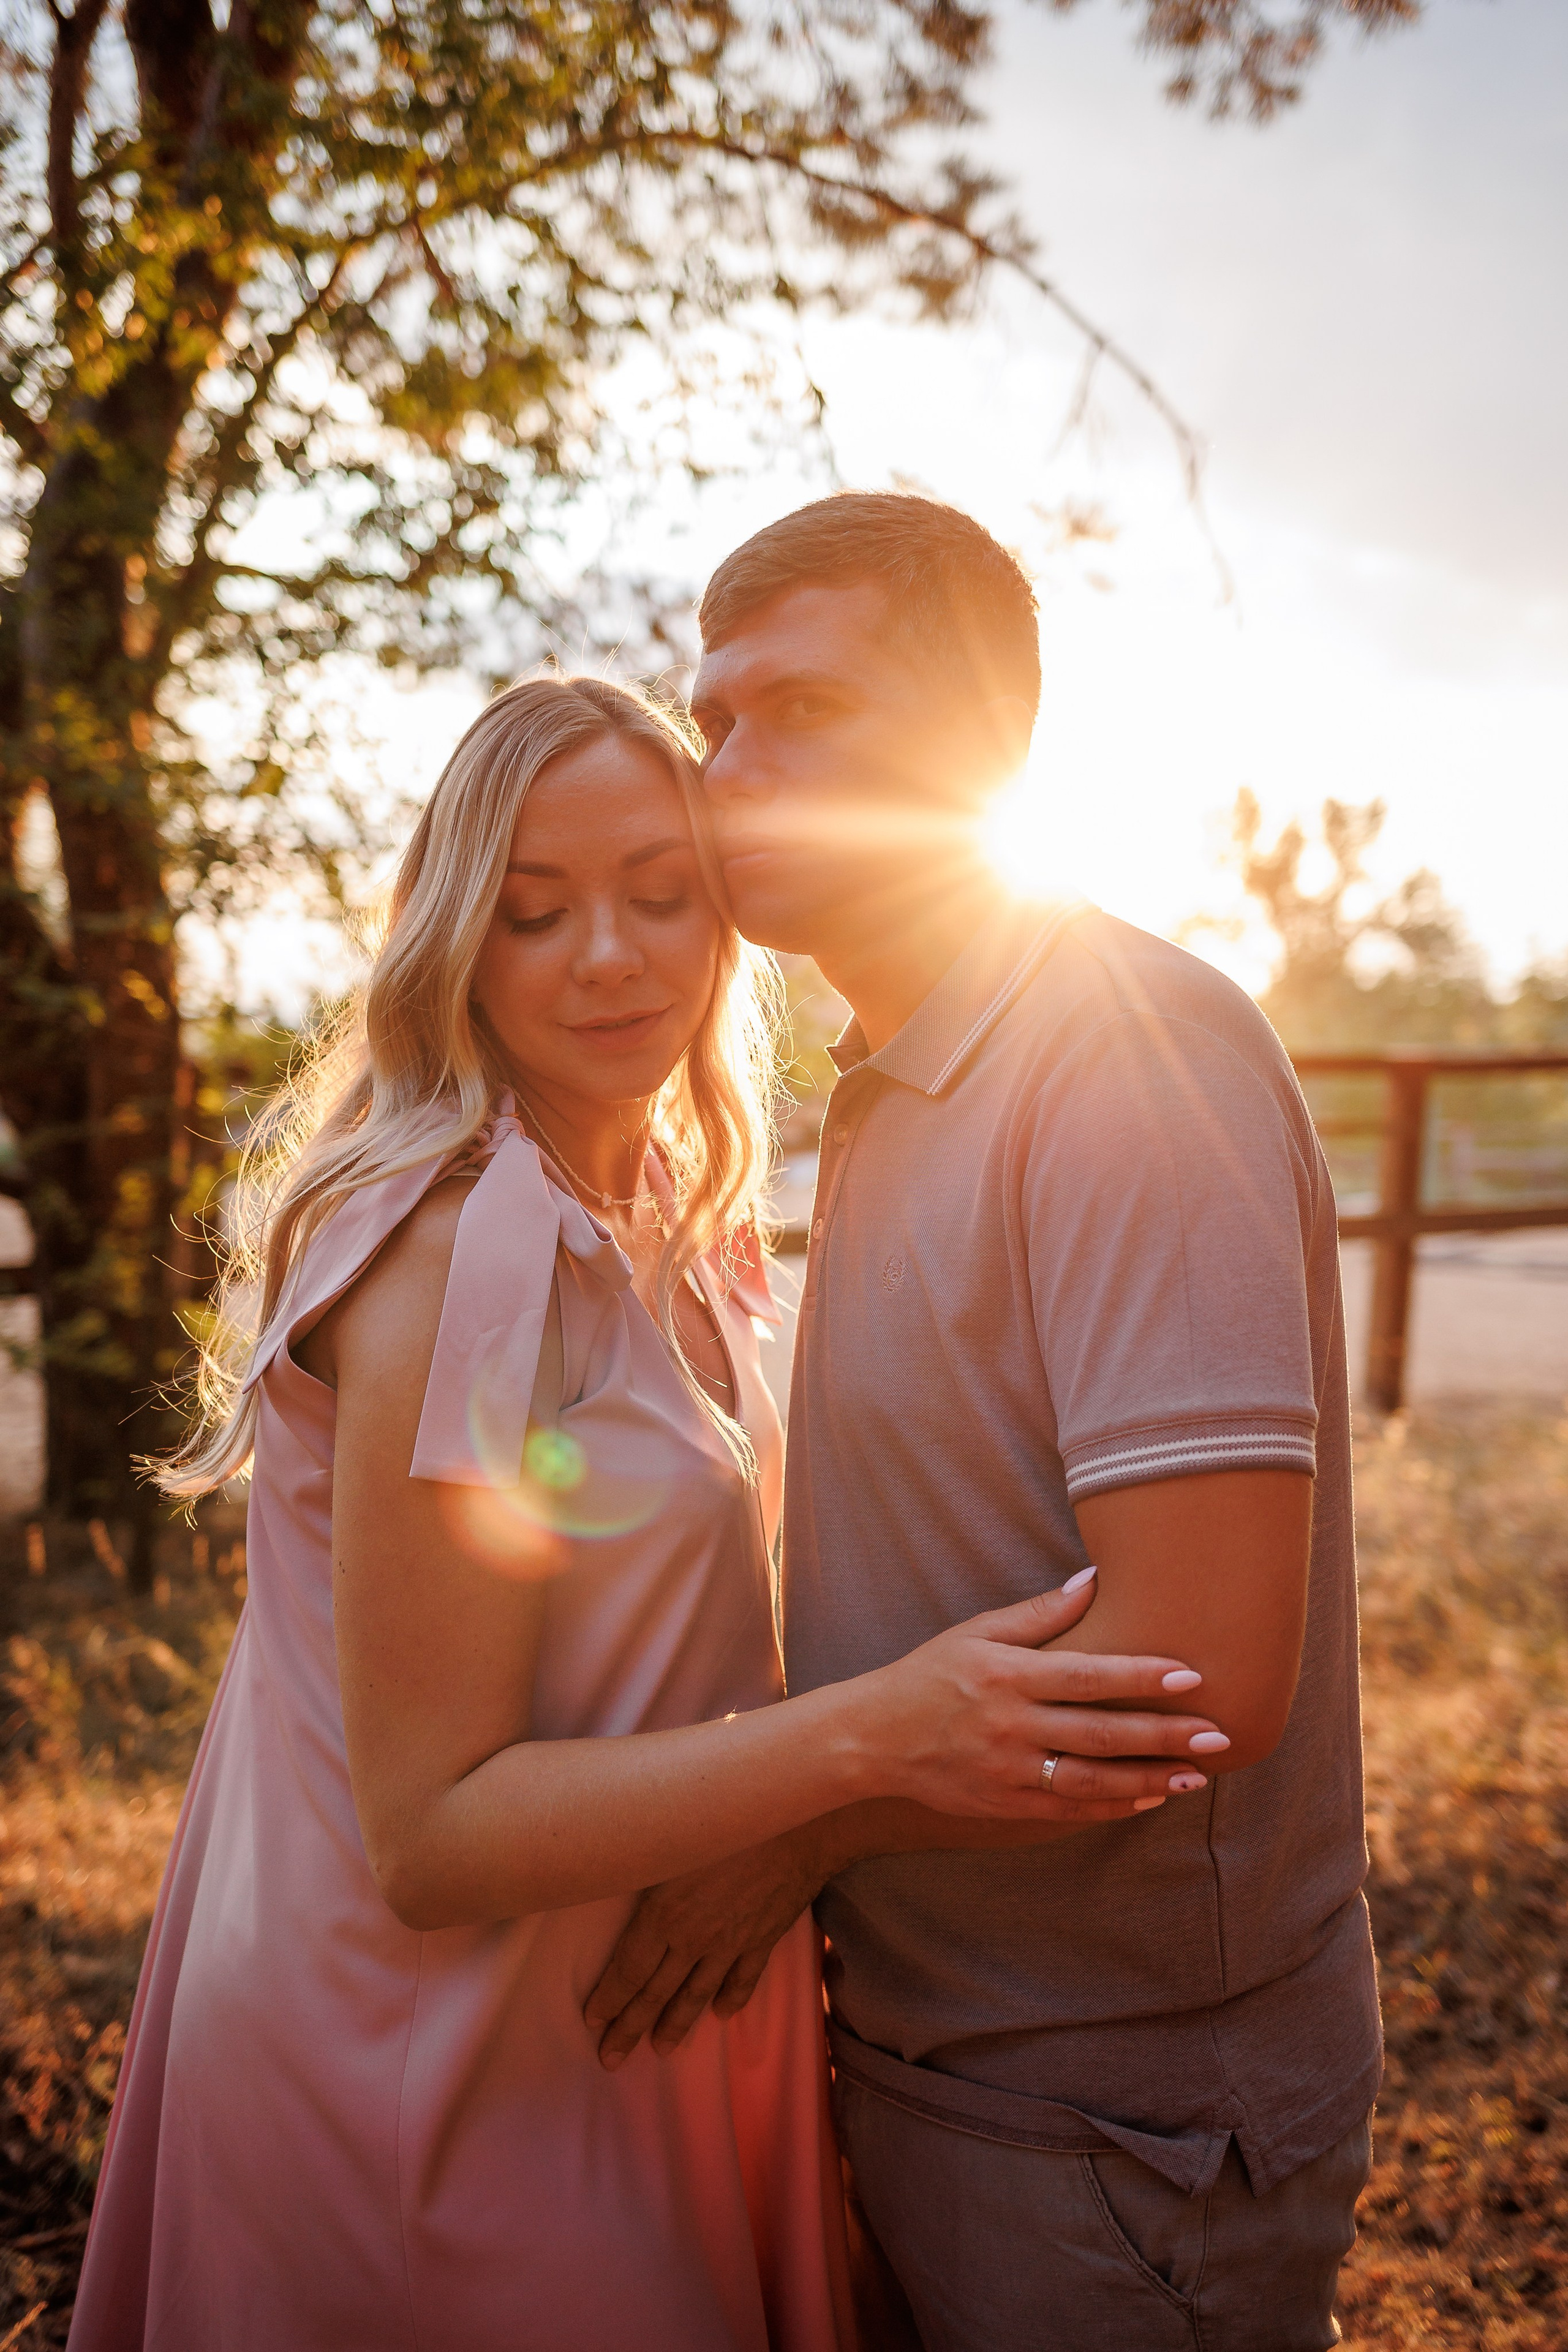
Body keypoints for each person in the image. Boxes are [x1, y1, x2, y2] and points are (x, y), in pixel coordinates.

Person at [68, 674, 1227, 2352]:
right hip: (461, 2067)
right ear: (456, 940)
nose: (607, 955)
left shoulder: (679, 1214)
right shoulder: (474, 1256)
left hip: (641, 1993)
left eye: (660, 895)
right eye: (534, 913)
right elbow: (432, 1833)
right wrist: (877, 1740)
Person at [584, 497, 1383, 2351]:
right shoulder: (900, 1069)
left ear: (983, 745)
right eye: (718, 724)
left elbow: (1196, 1665)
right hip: (948, 2049)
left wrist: (783, 1832)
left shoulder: (1117, 1052)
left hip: (1114, 2110)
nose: (730, 775)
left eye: (806, 713)